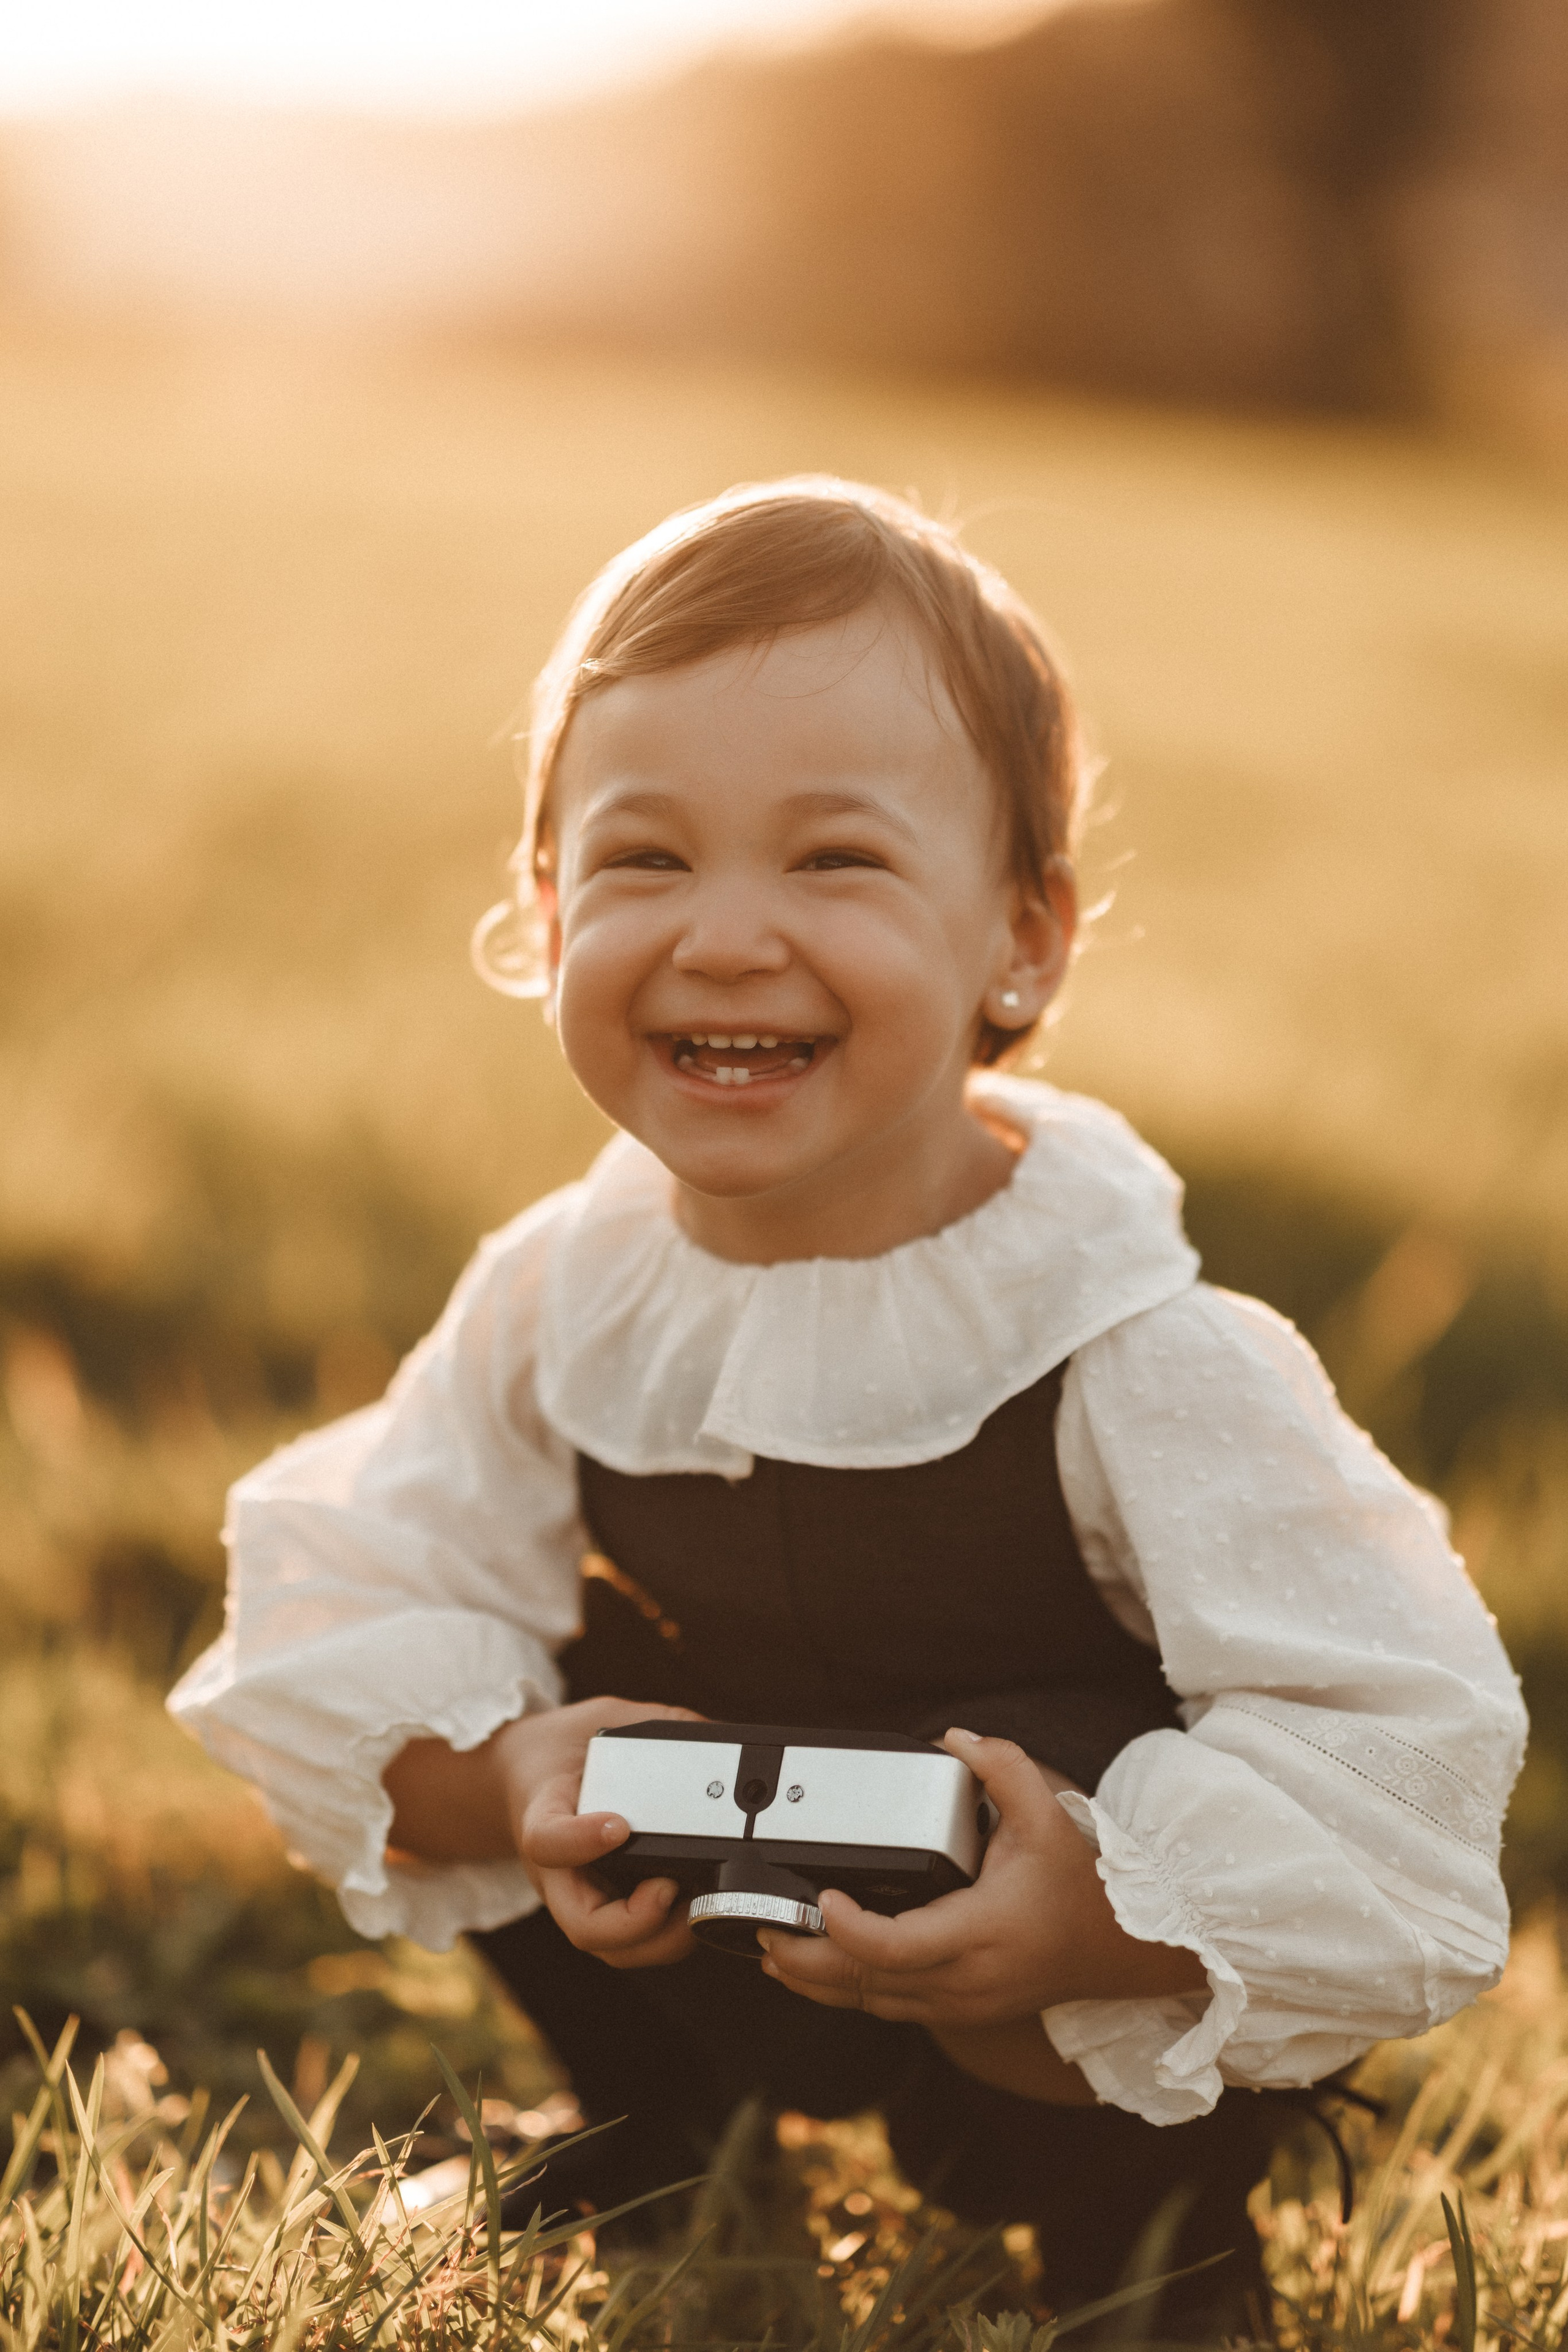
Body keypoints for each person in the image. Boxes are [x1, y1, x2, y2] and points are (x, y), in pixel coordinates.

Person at [169, 478, 1526, 2330]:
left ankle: (1152, 2256)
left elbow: (1399, 1745)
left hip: (1049, 1990)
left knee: (1063, 1775)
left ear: (1021, 941)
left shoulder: (1136, 1345)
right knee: (501, 1663)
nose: (728, 935)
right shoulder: (567, 1292)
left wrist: (1099, 1912)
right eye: (646, 861)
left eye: (835, 862)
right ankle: (666, 2133)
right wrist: (511, 1782)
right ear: (545, 910)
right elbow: (351, 1586)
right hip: (711, 1920)